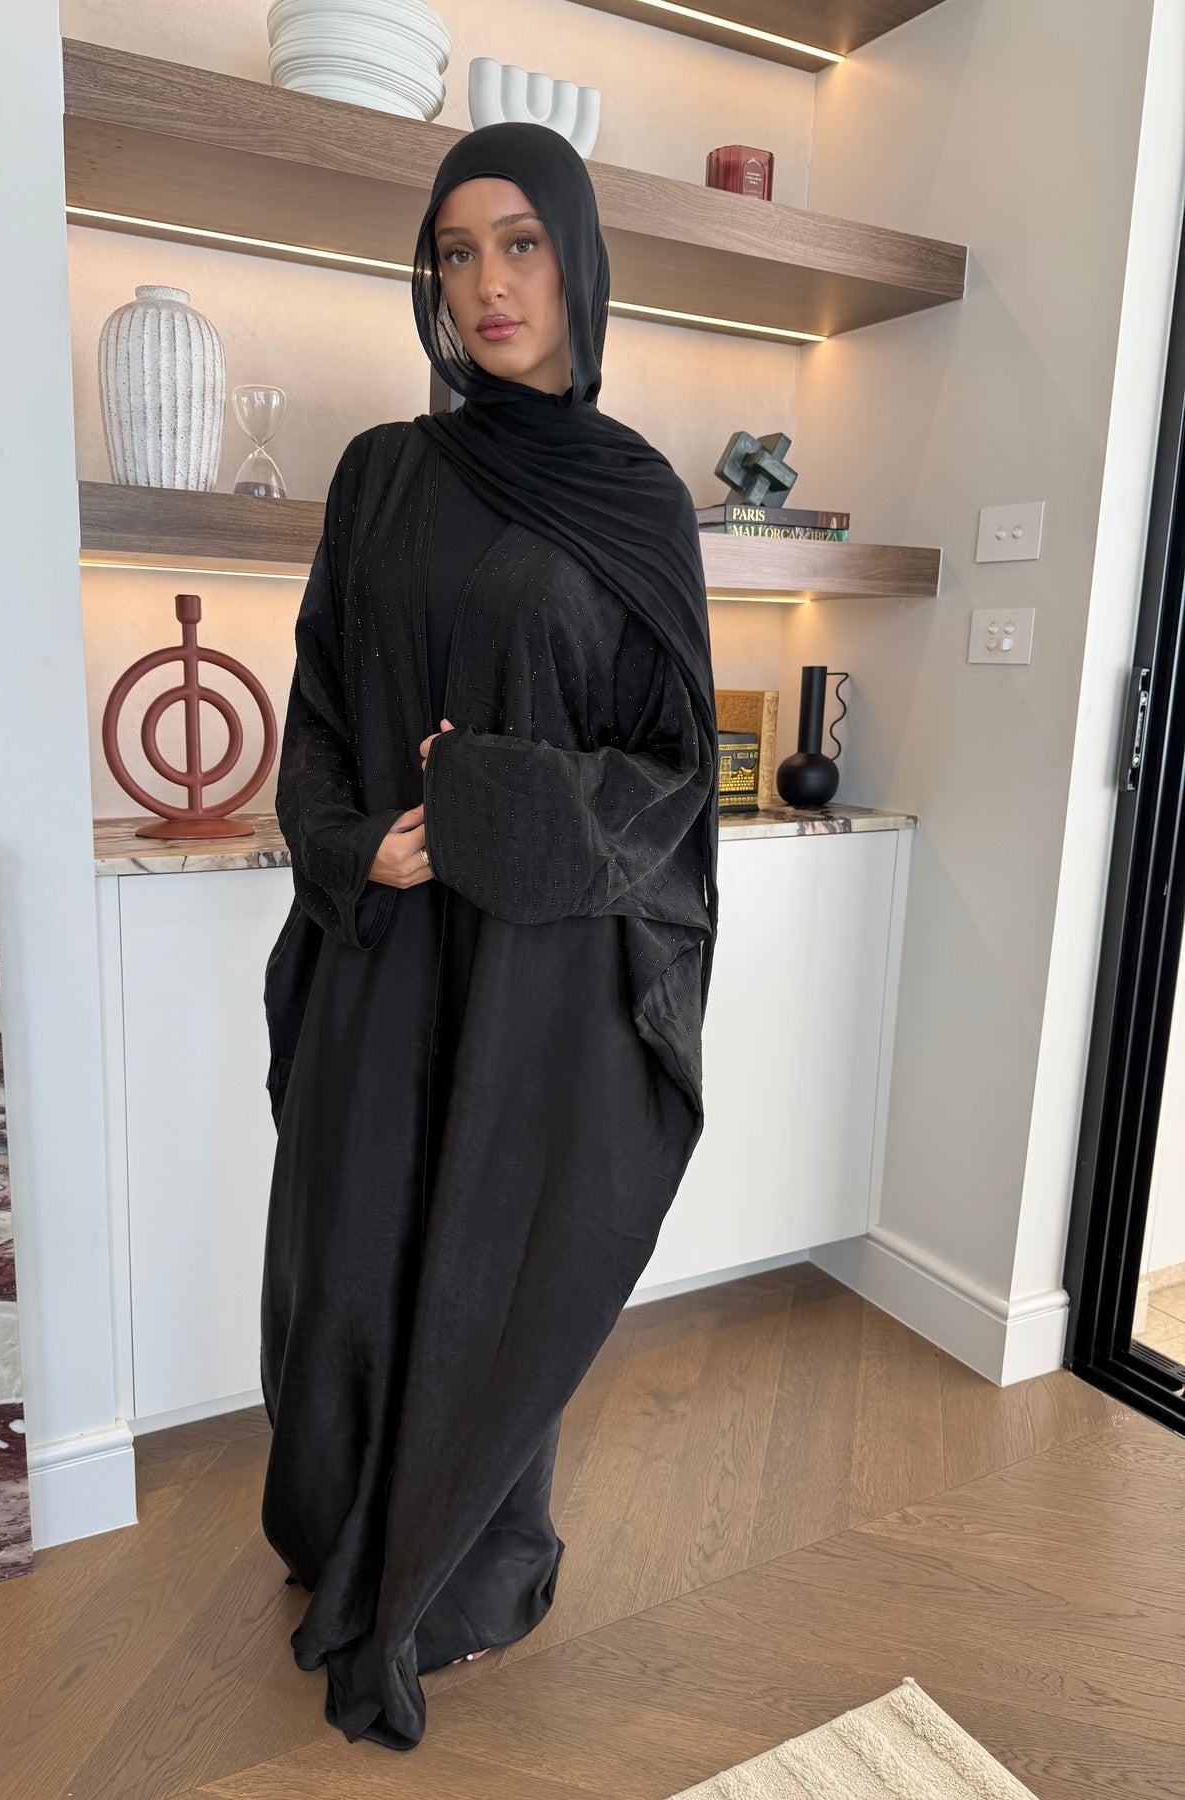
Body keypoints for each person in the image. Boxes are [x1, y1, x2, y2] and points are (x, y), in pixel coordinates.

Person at [260, 118, 720, 1753]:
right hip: (383, 953)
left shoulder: (638, 500)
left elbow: (672, 778)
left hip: (538, 978)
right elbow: (318, 713)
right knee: (350, 1259)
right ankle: (343, 1536)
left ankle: (464, 1578)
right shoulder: (382, 473)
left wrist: (491, 800)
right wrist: (354, 844)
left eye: (519, 243)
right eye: (455, 254)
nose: (485, 284)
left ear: (577, 257)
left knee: (484, 1274)